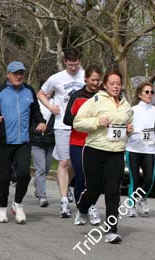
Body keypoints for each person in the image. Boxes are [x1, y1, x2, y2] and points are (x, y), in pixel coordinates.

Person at [0, 61, 46, 224]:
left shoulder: (29, 91)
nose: (19, 76)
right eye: (16, 73)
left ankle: (18, 204)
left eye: (21, 73)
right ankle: (2, 207)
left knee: (24, 174)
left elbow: (36, 111)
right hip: (5, 142)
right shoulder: (0, 91)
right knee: (4, 177)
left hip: (24, 141)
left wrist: (41, 121)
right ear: (8, 74)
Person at [74, 71, 133, 244]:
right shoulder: (95, 101)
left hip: (116, 153)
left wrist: (129, 131)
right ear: (105, 85)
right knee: (93, 189)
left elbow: (126, 129)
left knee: (113, 192)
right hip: (94, 150)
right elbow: (77, 122)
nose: (115, 86)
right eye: (112, 83)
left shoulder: (126, 106)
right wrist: (96, 122)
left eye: (118, 83)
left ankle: (111, 231)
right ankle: (83, 208)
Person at [37, 47, 85, 218]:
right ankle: (64, 201)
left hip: (81, 126)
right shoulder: (56, 78)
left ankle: (66, 183)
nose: (73, 68)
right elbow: (41, 93)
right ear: (65, 62)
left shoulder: (85, 76)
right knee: (64, 162)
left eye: (76, 64)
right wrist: (50, 107)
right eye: (70, 65)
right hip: (62, 125)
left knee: (75, 163)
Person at [63, 64, 103, 225]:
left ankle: (88, 206)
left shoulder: (103, 97)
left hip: (96, 143)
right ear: (85, 79)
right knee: (81, 176)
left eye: (98, 80)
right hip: (78, 142)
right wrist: (87, 122)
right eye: (93, 80)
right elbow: (67, 119)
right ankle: (84, 208)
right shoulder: (76, 96)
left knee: (94, 178)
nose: (95, 83)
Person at [125, 82, 155, 217]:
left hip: (149, 150)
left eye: (152, 92)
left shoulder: (154, 110)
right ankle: (131, 206)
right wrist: (129, 130)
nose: (150, 95)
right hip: (133, 149)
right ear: (139, 95)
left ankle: (141, 198)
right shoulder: (133, 110)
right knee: (135, 180)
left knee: (150, 179)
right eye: (147, 92)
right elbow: (125, 127)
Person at [30, 94, 55, 207]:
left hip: (51, 140)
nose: (48, 93)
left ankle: (37, 183)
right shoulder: (34, 103)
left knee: (46, 168)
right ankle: (42, 196)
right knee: (41, 169)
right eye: (45, 90)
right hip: (36, 141)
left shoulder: (56, 102)